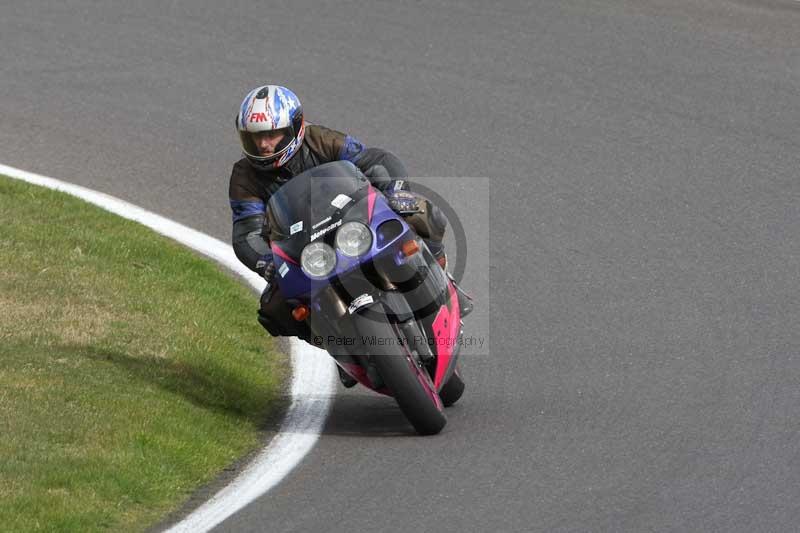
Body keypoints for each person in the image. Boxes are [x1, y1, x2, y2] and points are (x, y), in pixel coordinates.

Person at [228, 85, 465, 383]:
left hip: (351, 223)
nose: (263, 144)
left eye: (271, 134)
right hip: (303, 250)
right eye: (255, 137)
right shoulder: (244, 177)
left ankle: (440, 274)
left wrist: (392, 190)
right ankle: (335, 344)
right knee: (274, 308)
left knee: (419, 211)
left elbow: (373, 160)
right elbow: (246, 230)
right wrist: (265, 261)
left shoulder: (318, 139)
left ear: (295, 127)